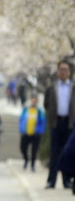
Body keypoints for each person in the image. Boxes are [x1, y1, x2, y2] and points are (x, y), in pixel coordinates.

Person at [45, 60, 75, 189]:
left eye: (66, 70)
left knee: (67, 153)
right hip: (55, 123)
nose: (63, 72)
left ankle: (66, 181)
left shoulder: (73, 87)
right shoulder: (51, 88)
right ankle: (51, 181)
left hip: (69, 124)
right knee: (54, 153)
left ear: (69, 72)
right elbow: (46, 104)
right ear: (57, 72)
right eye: (61, 69)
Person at [19, 95, 45, 172]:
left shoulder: (39, 111)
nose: (34, 102)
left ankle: (32, 165)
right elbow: (20, 120)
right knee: (23, 148)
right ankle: (26, 160)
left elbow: (43, 122)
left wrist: (41, 131)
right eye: (32, 100)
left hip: (35, 134)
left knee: (34, 150)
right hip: (26, 133)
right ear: (30, 101)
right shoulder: (25, 110)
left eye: (35, 101)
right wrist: (21, 130)